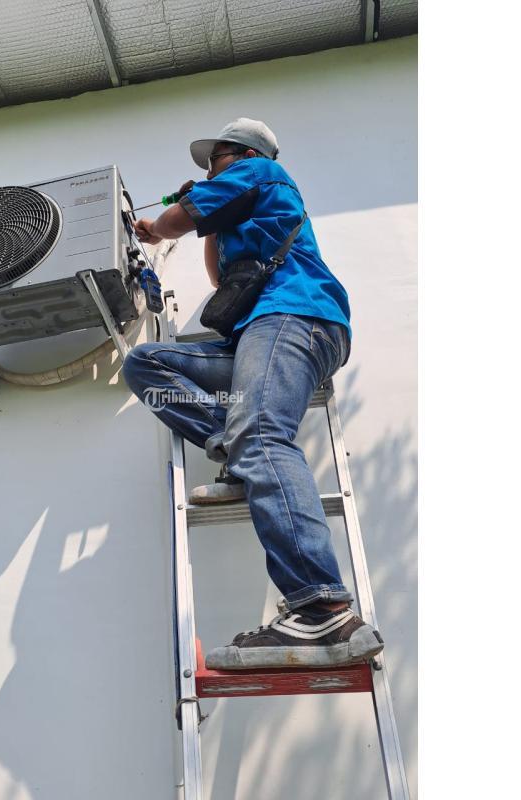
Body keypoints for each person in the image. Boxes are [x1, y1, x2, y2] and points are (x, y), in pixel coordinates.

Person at [122, 118, 383, 670]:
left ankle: (323, 609)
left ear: (239, 154)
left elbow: (173, 220)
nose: (208, 170)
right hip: (256, 336)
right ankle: (232, 445)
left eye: (213, 159)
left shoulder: (261, 172)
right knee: (145, 364)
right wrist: (208, 221)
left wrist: (161, 227)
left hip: (292, 318)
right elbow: (220, 281)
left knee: (263, 434)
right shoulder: (240, 201)